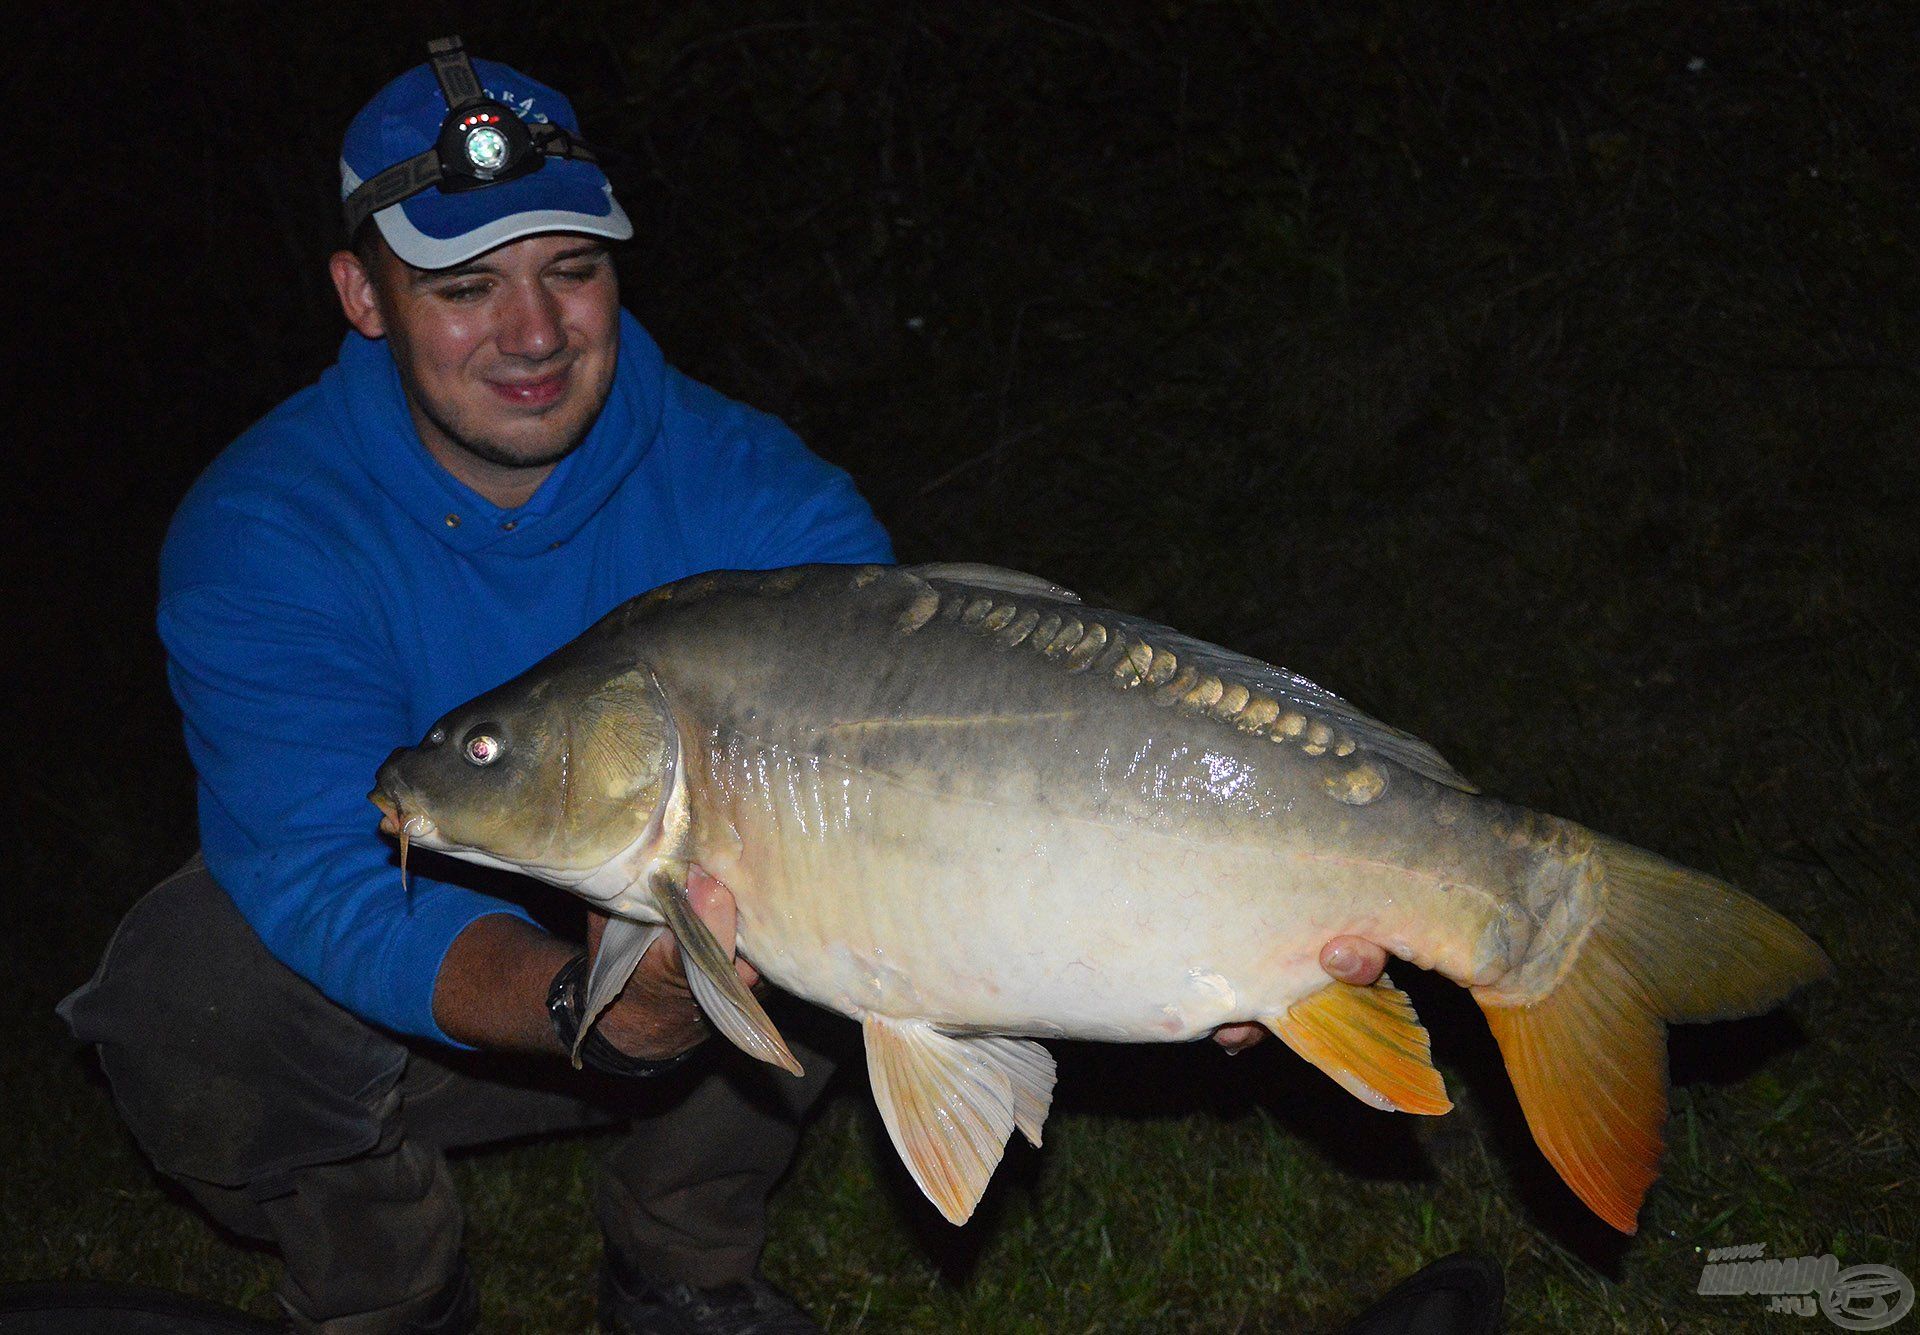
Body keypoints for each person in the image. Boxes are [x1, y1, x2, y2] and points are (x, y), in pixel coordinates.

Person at [59, 38, 1394, 1335]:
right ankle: (390, 1286)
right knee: (192, 990)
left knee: (816, 860)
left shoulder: (763, 494)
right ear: (364, 297)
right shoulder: (264, 528)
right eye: (464, 288)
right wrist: (587, 1008)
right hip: (430, 1018)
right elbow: (317, 866)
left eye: (571, 271)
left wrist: (1214, 934)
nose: (531, 331)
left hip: (722, 941)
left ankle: (684, 1264)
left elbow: (957, 817)